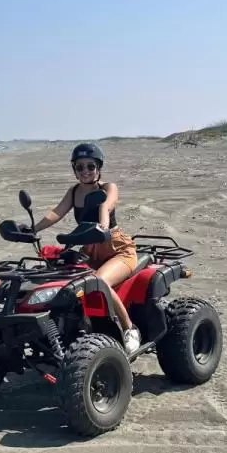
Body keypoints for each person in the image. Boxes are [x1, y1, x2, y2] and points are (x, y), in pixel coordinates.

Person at [28, 143, 141, 355]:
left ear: (99, 168)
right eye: (80, 167)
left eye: (91, 166)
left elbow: (105, 206)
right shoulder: (73, 192)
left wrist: (102, 227)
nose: (85, 171)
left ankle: (129, 328)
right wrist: (32, 229)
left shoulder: (108, 188)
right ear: (74, 169)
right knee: (62, 281)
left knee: (99, 281)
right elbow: (56, 212)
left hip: (117, 249)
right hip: (90, 248)